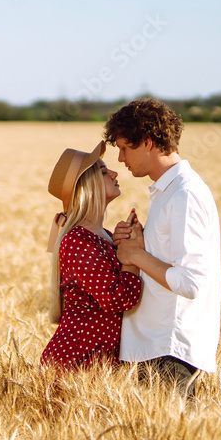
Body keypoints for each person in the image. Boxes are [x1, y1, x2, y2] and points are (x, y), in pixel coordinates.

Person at [105, 98, 221, 397]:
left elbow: (191, 282)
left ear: (147, 142)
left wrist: (137, 255)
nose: (120, 158)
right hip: (158, 345)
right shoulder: (169, 191)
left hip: (169, 349)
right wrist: (140, 242)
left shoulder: (185, 194)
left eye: (124, 147)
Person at [40, 142, 143, 372]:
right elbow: (117, 299)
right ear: (87, 186)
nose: (115, 173)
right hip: (76, 364)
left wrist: (127, 244)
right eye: (104, 171)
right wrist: (132, 255)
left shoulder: (103, 236)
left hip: (96, 363)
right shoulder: (77, 241)